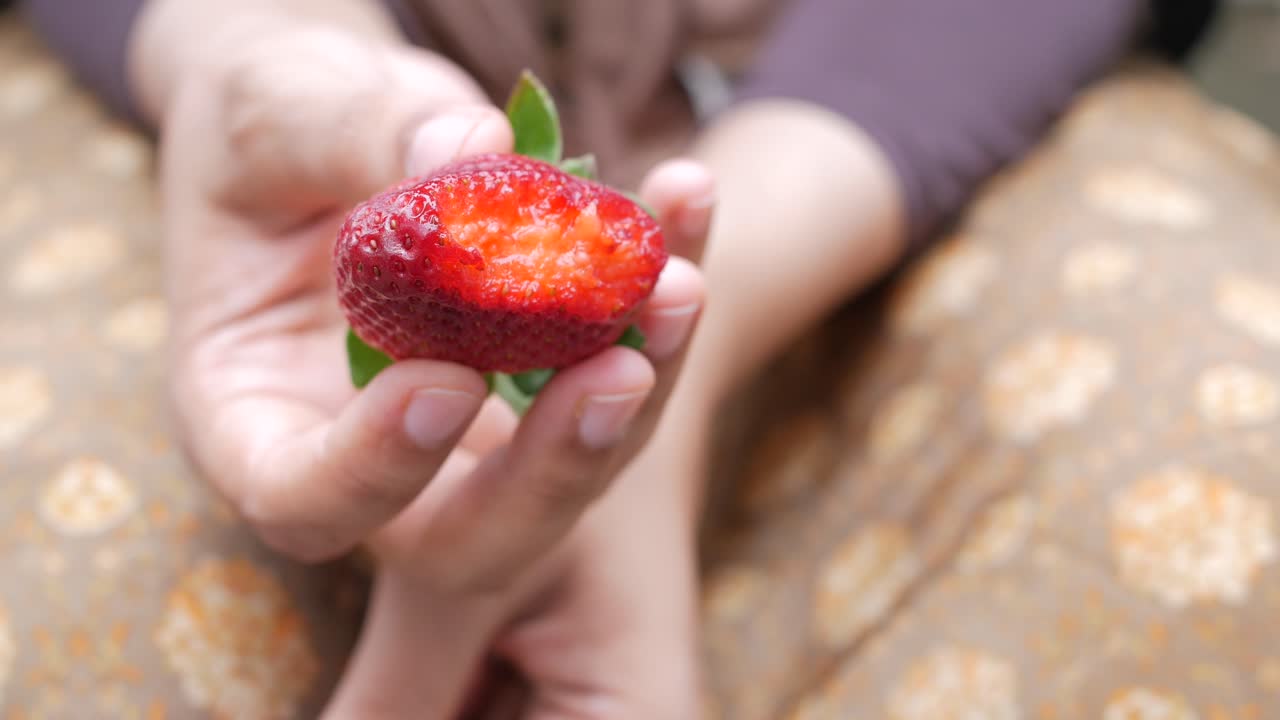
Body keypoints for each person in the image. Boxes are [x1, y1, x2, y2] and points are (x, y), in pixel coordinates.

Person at [20, 0, 1213, 717]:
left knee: (1214, 467)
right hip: (221, 116)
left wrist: (698, 320)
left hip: (872, 127)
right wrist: (257, 45)